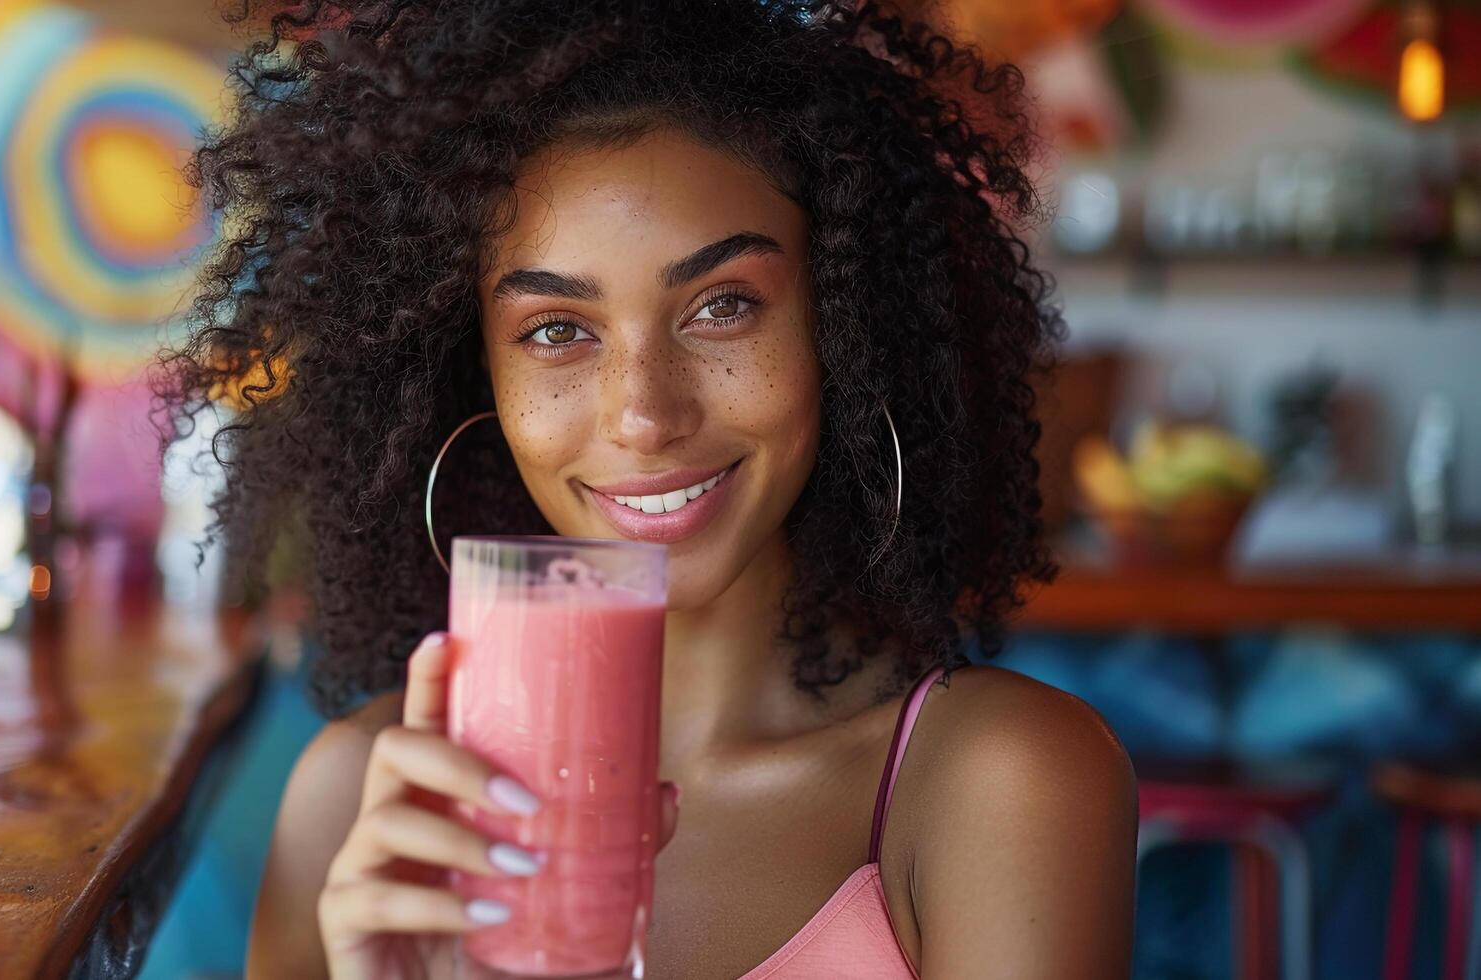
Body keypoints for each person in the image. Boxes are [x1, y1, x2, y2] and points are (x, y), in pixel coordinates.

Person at [161, 1, 1138, 976]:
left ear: (843, 327)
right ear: (475, 375)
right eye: (555, 327)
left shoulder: (1001, 782)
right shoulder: (356, 807)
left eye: (723, 306)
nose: (645, 413)